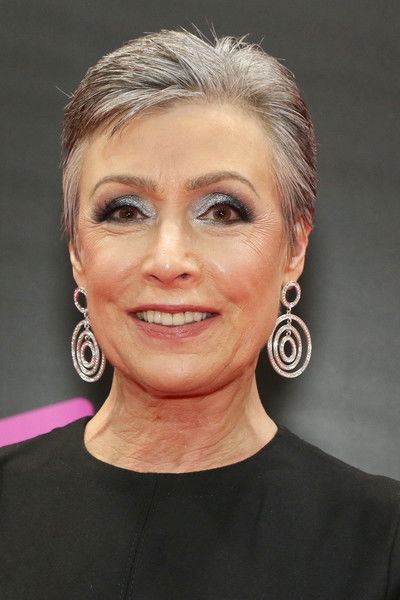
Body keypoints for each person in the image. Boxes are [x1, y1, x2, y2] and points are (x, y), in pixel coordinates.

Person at [1, 29, 399, 600]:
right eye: (125, 211)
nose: (168, 261)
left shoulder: (380, 544)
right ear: (77, 253)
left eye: (222, 211)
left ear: (294, 248)